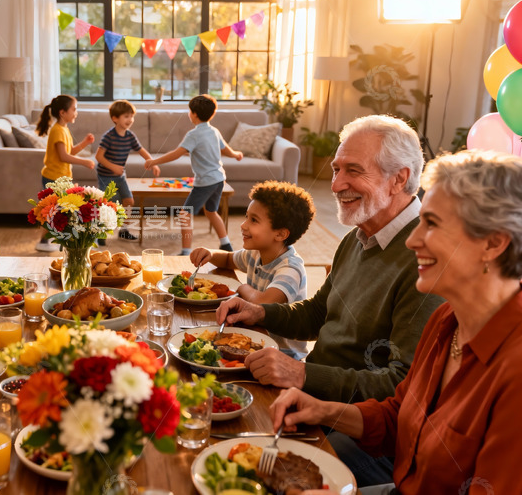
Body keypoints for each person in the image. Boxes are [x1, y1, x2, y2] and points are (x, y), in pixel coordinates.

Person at [270, 150, 522, 495]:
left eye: (432, 225)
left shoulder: (514, 370)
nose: (413, 239)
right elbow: (397, 416)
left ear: (493, 244)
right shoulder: (446, 321)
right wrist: (322, 410)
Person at [190, 180, 315, 359]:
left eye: (254, 220)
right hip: (253, 339)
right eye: (246, 216)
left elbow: (262, 303)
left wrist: (238, 286)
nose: (243, 225)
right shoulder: (256, 254)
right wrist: (210, 253)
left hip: (282, 355)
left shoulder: (290, 269)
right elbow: (227, 259)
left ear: (280, 234)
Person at [145, 94, 243, 255]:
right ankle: (226, 244)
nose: (189, 114)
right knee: (211, 211)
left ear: (194, 114)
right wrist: (236, 155)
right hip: (219, 179)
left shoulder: (194, 134)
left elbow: (176, 153)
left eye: (189, 111)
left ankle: (185, 251)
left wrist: (154, 161)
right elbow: (225, 149)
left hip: (205, 182)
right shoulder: (214, 131)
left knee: (185, 213)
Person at [35, 95, 95, 252]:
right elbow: (63, 157)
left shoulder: (63, 129)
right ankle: (43, 242)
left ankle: (63, 242)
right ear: (62, 112)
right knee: (52, 211)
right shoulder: (57, 131)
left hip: (61, 177)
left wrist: (84, 143)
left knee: (61, 210)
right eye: (74, 109)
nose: (76, 113)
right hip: (53, 177)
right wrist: (84, 162)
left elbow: (69, 151)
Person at [95, 100, 160, 243]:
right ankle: (101, 232)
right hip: (105, 175)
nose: (130, 120)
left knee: (129, 200)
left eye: (132, 116)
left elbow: (142, 150)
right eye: (126, 116)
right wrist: (113, 167)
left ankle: (124, 230)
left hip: (120, 175)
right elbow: (98, 156)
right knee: (107, 204)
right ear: (115, 118)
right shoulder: (109, 136)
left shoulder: (130, 136)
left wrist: (153, 163)